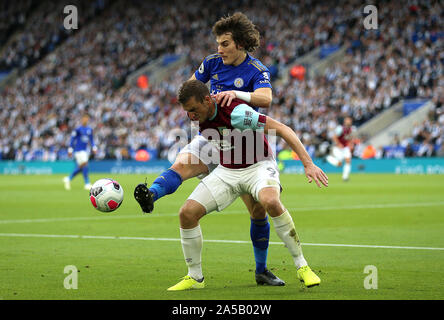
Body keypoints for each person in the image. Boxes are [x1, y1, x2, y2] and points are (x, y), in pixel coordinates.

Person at [135, 12, 283, 285]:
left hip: (244, 144)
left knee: (258, 210)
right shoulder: (211, 63)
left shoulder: (257, 70)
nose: (219, 49)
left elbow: (266, 98)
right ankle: (151, 195)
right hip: (212, 136)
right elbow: (191, 86)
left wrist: (237, 95)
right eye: (218, 43)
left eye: (225, 43)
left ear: (239, 43)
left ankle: (261, 270)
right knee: (181, 165)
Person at [167, 80, 328, 291]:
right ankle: (195, 277)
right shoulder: (200, 114)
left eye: (194, 110)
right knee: (186, 213)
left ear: (207, 100)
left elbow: (281, 128)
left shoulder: (237, 113)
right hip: (227, 171)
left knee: (270, 201)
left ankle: (302, 266)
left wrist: (308, 164)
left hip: (258, 166)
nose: (192, 116)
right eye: (188, 112)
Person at [63, 114, 97, 190]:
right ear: (82, 119)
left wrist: (94, 147)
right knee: (85, 164)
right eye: (84, 118)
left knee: (83, 166)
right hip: (78, 150)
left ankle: (69, 178)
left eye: (87, 119)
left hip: (84, 151)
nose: (85, 120)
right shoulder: (78, 129)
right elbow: (72, 139)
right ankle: (87, 183)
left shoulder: (89, 129)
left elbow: (91, 140)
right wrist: (70, 150)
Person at [326, 116, 354, 181]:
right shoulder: (340, 128)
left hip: (345, 148)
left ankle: (345, 177)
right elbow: (334, 137)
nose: (349, 122)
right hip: (338, 148)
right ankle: (328, 158)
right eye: (348, 121)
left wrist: (350, 144)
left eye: (350, 121)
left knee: (348, 161)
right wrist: (338, 144)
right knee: (339, 164)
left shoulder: (351, 129)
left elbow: (349, 138)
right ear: (345, 122)